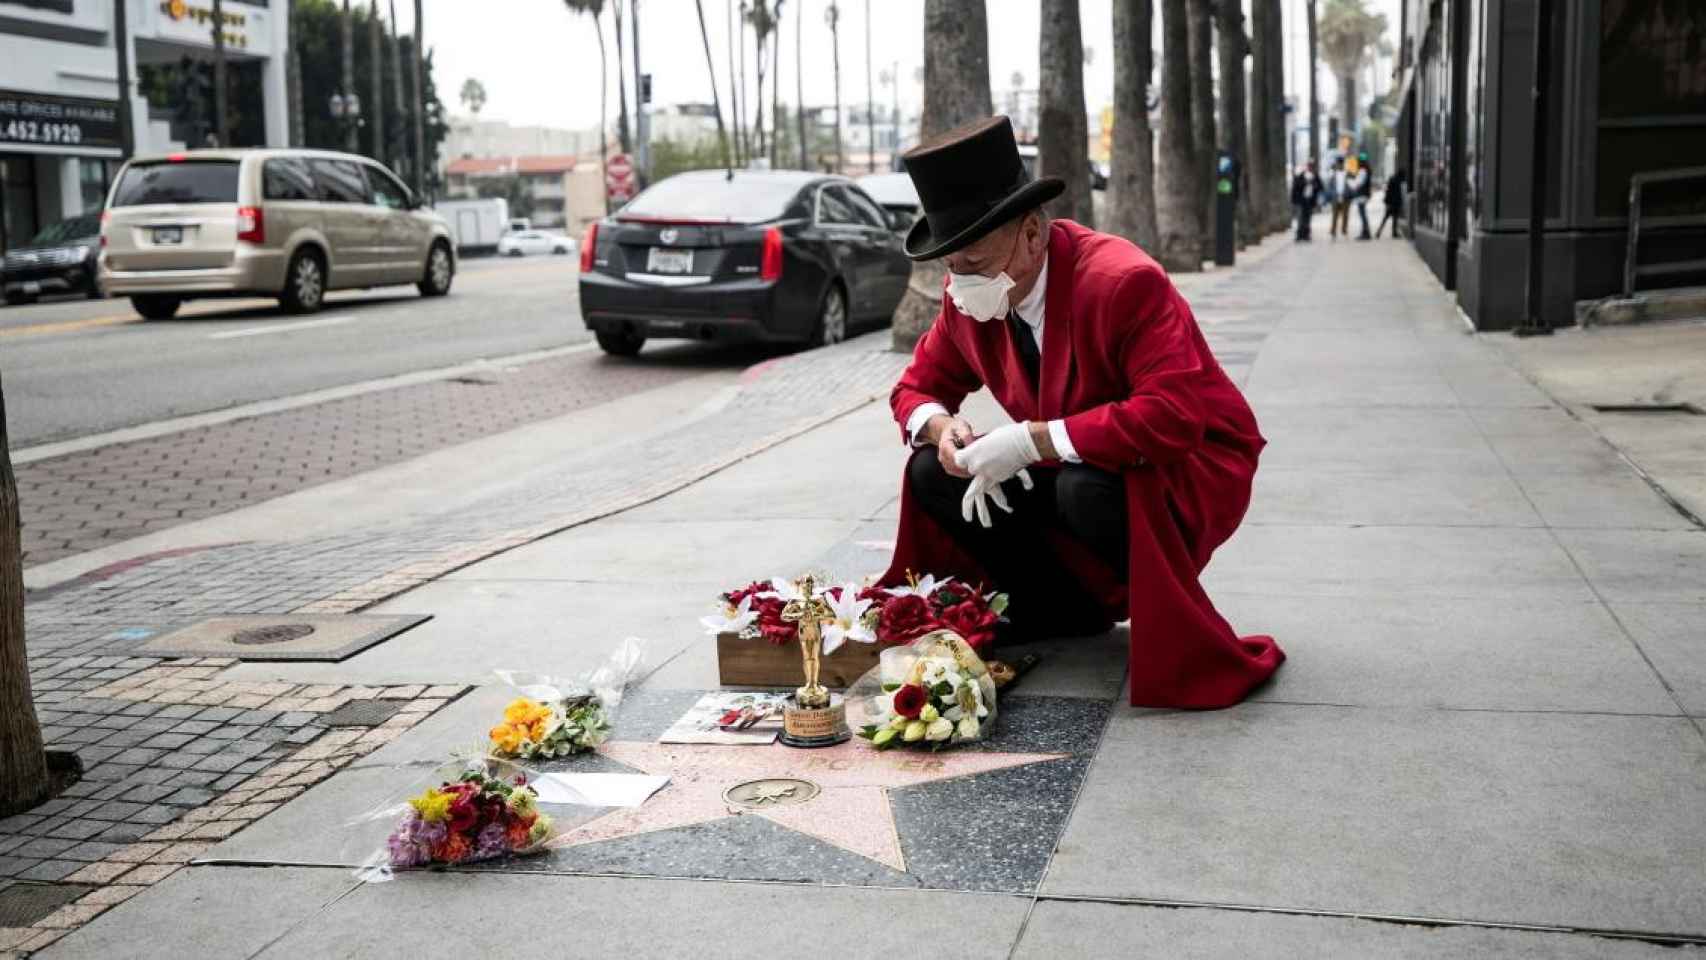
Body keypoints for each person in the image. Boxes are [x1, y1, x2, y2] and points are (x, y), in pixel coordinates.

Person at [880, 116, 1284, 710]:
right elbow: (913, 390)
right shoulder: (967, 295)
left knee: (1082, 487)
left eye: (974, 261)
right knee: (931, 473)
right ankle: (1057, 608)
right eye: (951, 267)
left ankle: (1145, 599)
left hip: (1190, 462)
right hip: (1082, 452)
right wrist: (944, 429)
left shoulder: (1124, 282)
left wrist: (1030, 441)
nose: (960, 282)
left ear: (1033, 235)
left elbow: (1172, 417)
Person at [1291, 162, 1322, 241]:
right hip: (1301, 200)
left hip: (1310, 200)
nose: (1310, 168)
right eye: (1309, 166)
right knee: (1300, 218)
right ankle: (1299, 234)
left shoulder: (1315, 176)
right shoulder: (1300, 175)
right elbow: (1296, 186)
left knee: (1308, 218)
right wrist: (1305, 183)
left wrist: (1314, 185)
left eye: (1311, 167)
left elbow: (1320, 186)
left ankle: (1306, 234)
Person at [1376, 168, 1408, 238]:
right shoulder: (1398, 181)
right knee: (1394, 219)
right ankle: (1394, 233)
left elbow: (1388, 192)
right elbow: (1398, 194)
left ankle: (1379, 232)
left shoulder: (1392, 179)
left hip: (1390, 203)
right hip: (1395, 203)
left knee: (1385, 218)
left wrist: (1387, 202)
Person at [1352, 153, 1373, 240]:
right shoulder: (1367, 170)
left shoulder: (1362, 171)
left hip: (1361, 195)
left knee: (1362, 214)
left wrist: (1351, 181)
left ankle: (1366, 232)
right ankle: (1365, 232)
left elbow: (1358, 183)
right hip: (1364, 195)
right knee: (1363, 214)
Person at [1327, 156, 1349, 240]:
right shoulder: (1333, 174)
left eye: (1340, 163)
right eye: (1338, 163)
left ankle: (1344, 231)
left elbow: (1351, 184)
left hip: (1345, 196)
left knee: (1345, 215)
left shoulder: (1347, 173)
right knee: (1334, 215)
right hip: (1336, 196)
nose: (1339, 165)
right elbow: (1330, 185)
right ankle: (1333, 232)